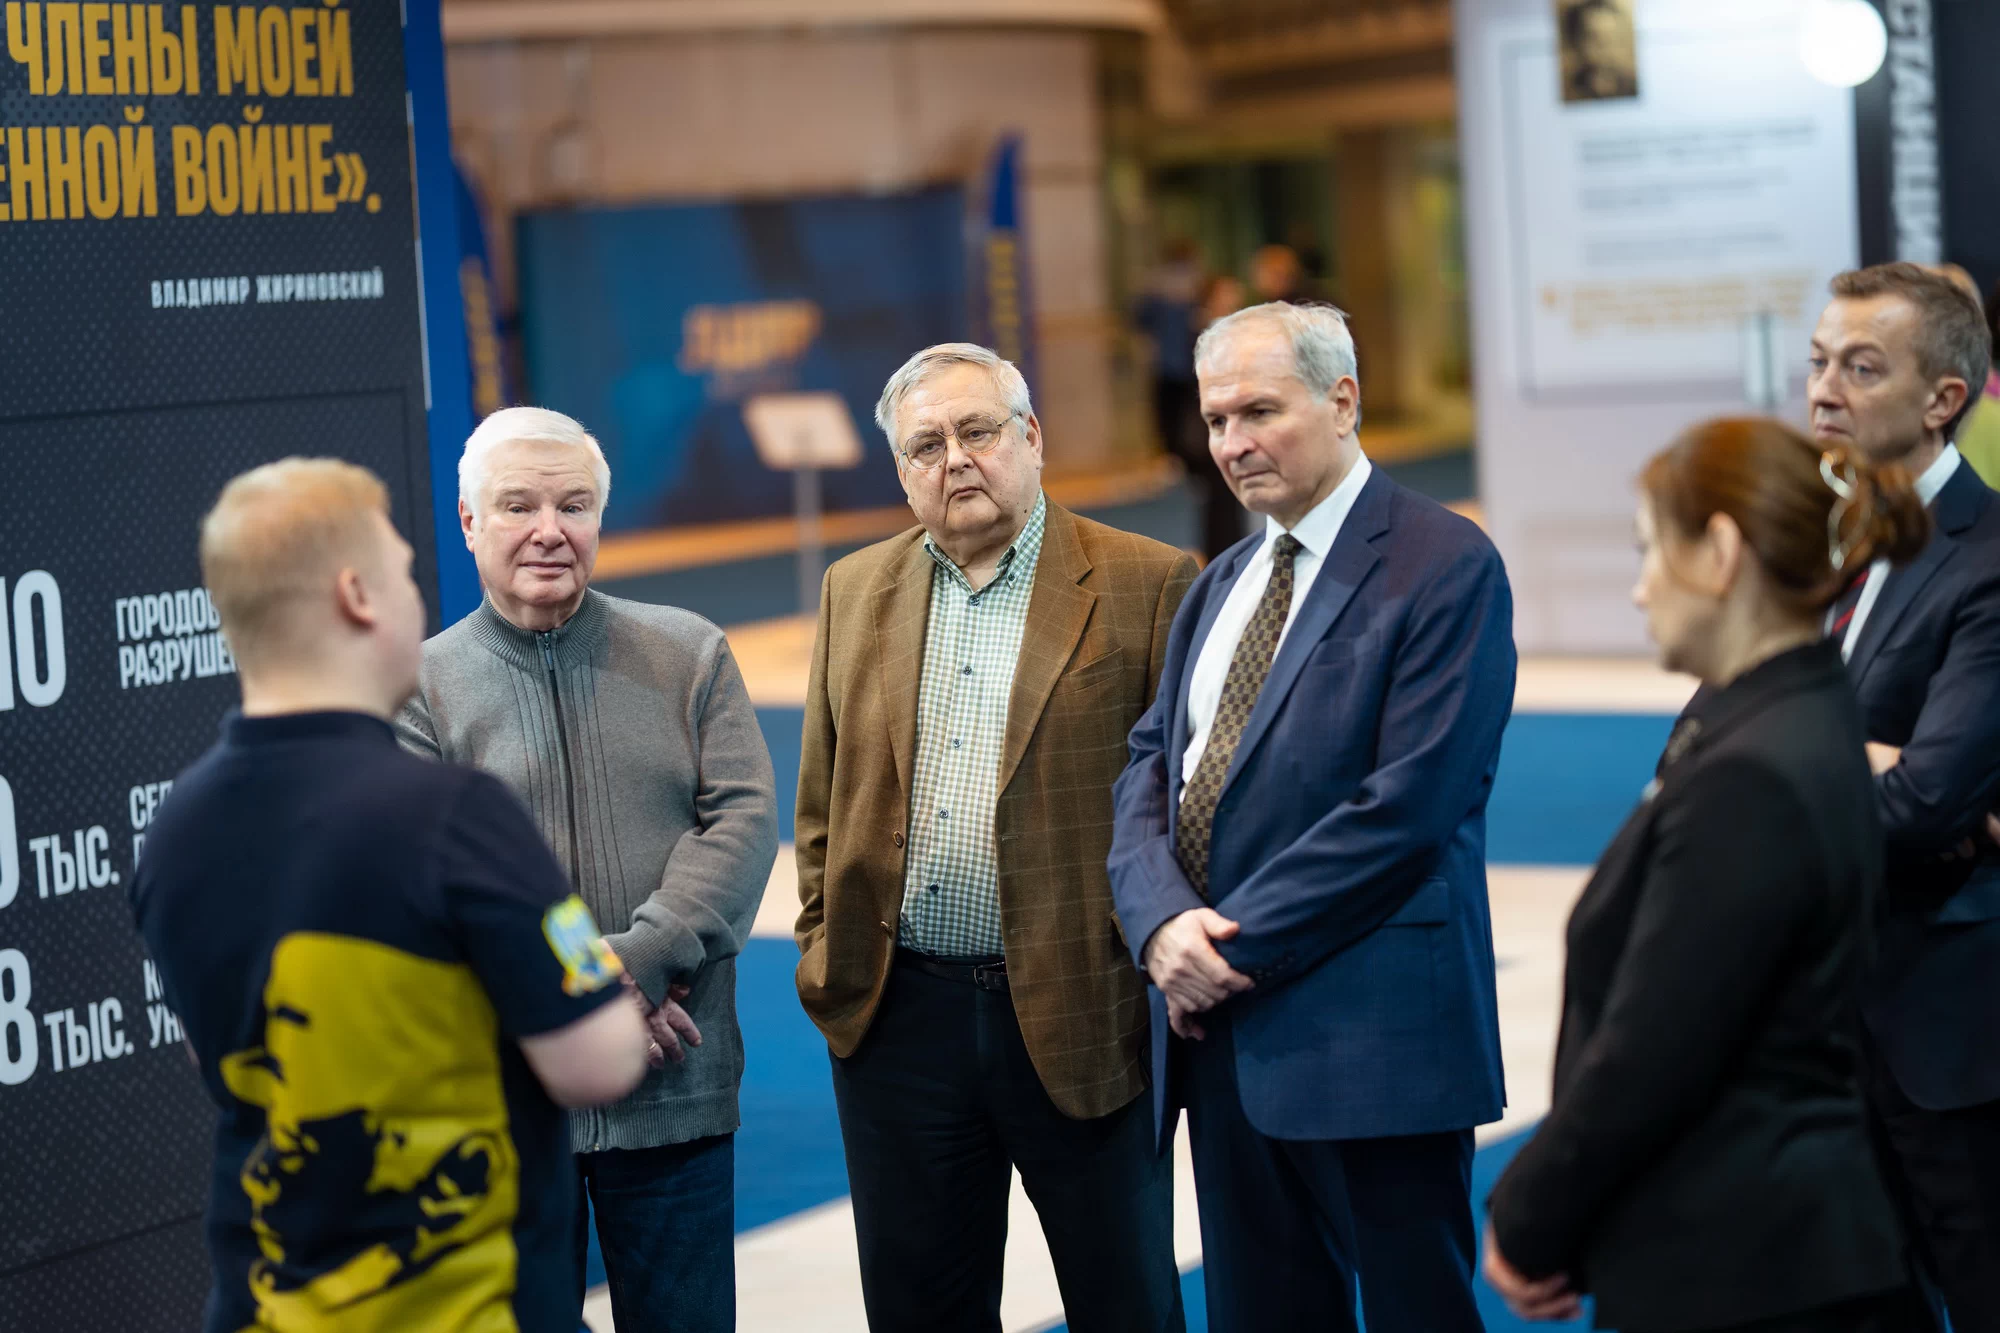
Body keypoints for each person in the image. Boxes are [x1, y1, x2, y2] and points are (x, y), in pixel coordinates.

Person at [129, 458, 650, 1332]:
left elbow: (212, 1047)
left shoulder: (174, 828)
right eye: (407, 573)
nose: (419, 598)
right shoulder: (457, 814)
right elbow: (599, 1061)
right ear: (357, 596)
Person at [1107, 302, 1516, 1333]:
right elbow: (1152, 762)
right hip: (1220, 1038)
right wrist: (1157, 923)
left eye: (1259, 411)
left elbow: (1406, 808)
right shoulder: (1221, 582)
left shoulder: (1444, 562)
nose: (1231, 443)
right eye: (1215, 420)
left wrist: (1222, 949)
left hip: (1371, 1030)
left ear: (1342, 401)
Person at [1484, 418, 1930, 1333]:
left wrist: (1526, 1213)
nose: (1640, 587)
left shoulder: (1754, 772)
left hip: (1751, 1267)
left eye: (1650, 550)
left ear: (1721, 553)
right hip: (1769, 1248)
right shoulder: (1789, 713)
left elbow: (1654, 1048)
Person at [794, 343, 1198, 1332]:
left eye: (977, 430)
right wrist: (825, 948)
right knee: (919, 1307)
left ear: (1032, 437)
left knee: (1125, 1303)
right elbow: (821, 805)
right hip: (898, 1019)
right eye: (926, 445)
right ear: (902, 472)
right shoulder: (854, 587)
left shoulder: (1148, 582)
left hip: (1080, 1010)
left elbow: (1187, 810)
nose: (956, 458)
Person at [397, 408, 779, 1333]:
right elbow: (434, 885)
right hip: (510, 1100)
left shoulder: (690, 652)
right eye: (517, 505)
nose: (548, 529)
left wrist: (637, 960)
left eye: (573, 506)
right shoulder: (417, 688)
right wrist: (590, 987)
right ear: (468, 522)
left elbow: (742, 822)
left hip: (674, 1084)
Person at [1800, 263, 2000, 1330]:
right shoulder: (1810, 543)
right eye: (1818, 360)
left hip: (1942, 1026)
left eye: (1860, 366)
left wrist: (1769, 784)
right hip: (1814, 1033)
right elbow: (1694, 755)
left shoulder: (1987, 556)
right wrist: (1859, 758)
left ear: (1941, 399)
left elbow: (1925, 801)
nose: (1823, 389)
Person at [1137, 240, 1241, 562]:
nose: (1234, 301)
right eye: (1227, 295)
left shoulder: (1201, 323)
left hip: (1204, 410)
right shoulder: (1201, 330)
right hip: (1209, 420)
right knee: (1221, 494)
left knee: (1228, 494)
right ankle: (1224, 553)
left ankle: (1228, 551)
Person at [1561, 0, 1639, 102]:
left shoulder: (1632, 86)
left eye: (1612, 38)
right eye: (1595, 38)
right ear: (1576, 42)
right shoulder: (1568, 92)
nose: (1605, 47)